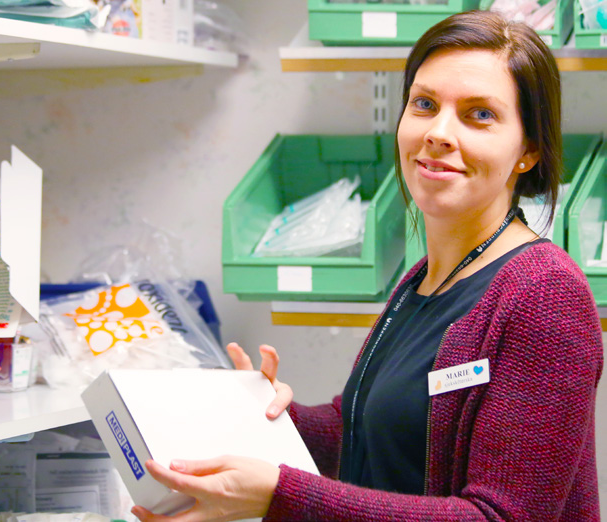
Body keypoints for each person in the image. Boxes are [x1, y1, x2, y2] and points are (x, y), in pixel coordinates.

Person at [131, 10, 604, 521]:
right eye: (424, 105)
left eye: (479, 114)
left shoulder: (545, 295)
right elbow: (366, 431)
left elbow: (504, 517)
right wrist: (264, 413)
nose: (439, 133)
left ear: (528, 150)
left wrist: (280, 495)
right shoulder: (422, 278)